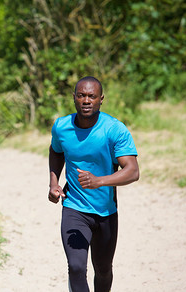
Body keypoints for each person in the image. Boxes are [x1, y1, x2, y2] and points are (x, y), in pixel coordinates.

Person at [48, 76, 139, 292]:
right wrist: (54, 182)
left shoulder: (114, 129)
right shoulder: (62, 127)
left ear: (101, 99)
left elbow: (133, 171)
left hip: (106, 212)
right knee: (76, 267)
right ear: (74, 98)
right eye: (81, 95)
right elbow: (56, 150)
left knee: (103, 269)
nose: (86, 100)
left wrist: (99, 181)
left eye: (91, 96)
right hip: (74, 208)